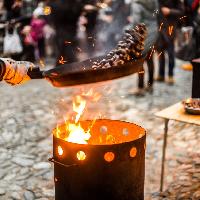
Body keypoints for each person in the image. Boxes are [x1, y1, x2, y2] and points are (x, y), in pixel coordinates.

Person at [129, 0, 158, 95]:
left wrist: (130, 30)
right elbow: (157, 13)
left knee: (140, 61)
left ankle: (140, 88)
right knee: (150, 59)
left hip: (142, 35)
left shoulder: (136, 3)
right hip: (153, 32)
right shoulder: (154, 1)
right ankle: (151, 85)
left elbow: (135, 22)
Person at [156, 0, 184, 84]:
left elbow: (181, 11)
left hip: (171, 28)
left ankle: (170, 75)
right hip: (160, 28)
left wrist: (170, 11)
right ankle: (161, 75)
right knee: (160, 53)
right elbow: (154, 10)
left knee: (170, 53)